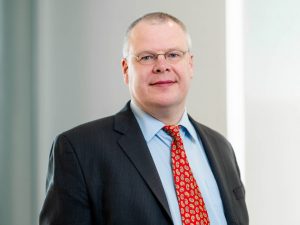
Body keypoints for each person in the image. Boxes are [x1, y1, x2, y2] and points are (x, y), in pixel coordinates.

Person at [39, 12, 248, 225]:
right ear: (126, 69)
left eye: (173, 55)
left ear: (190, 65)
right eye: (147, 57)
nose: (162, 66)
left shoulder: (222, 148)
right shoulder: (79, 150)